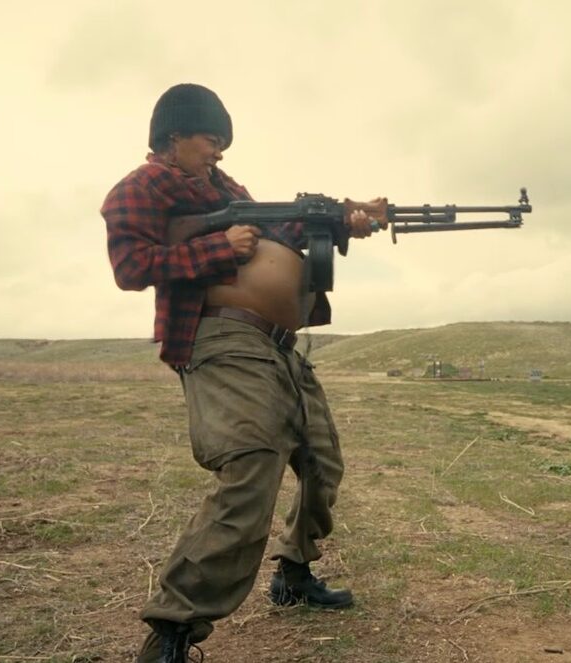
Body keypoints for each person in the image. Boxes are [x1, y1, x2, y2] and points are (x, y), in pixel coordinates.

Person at [100, 83, 386, 663]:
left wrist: (344, 218)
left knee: (322, 462)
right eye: (210, 139)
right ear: (173, 136)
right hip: (223, 338)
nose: (219, 151)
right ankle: (173, 629)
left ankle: (294, 573)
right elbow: (131, 266)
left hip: (280, 346)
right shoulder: (141, 186)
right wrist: (219, 249)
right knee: (253, 464)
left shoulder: (228, 190)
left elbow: (285, 232)